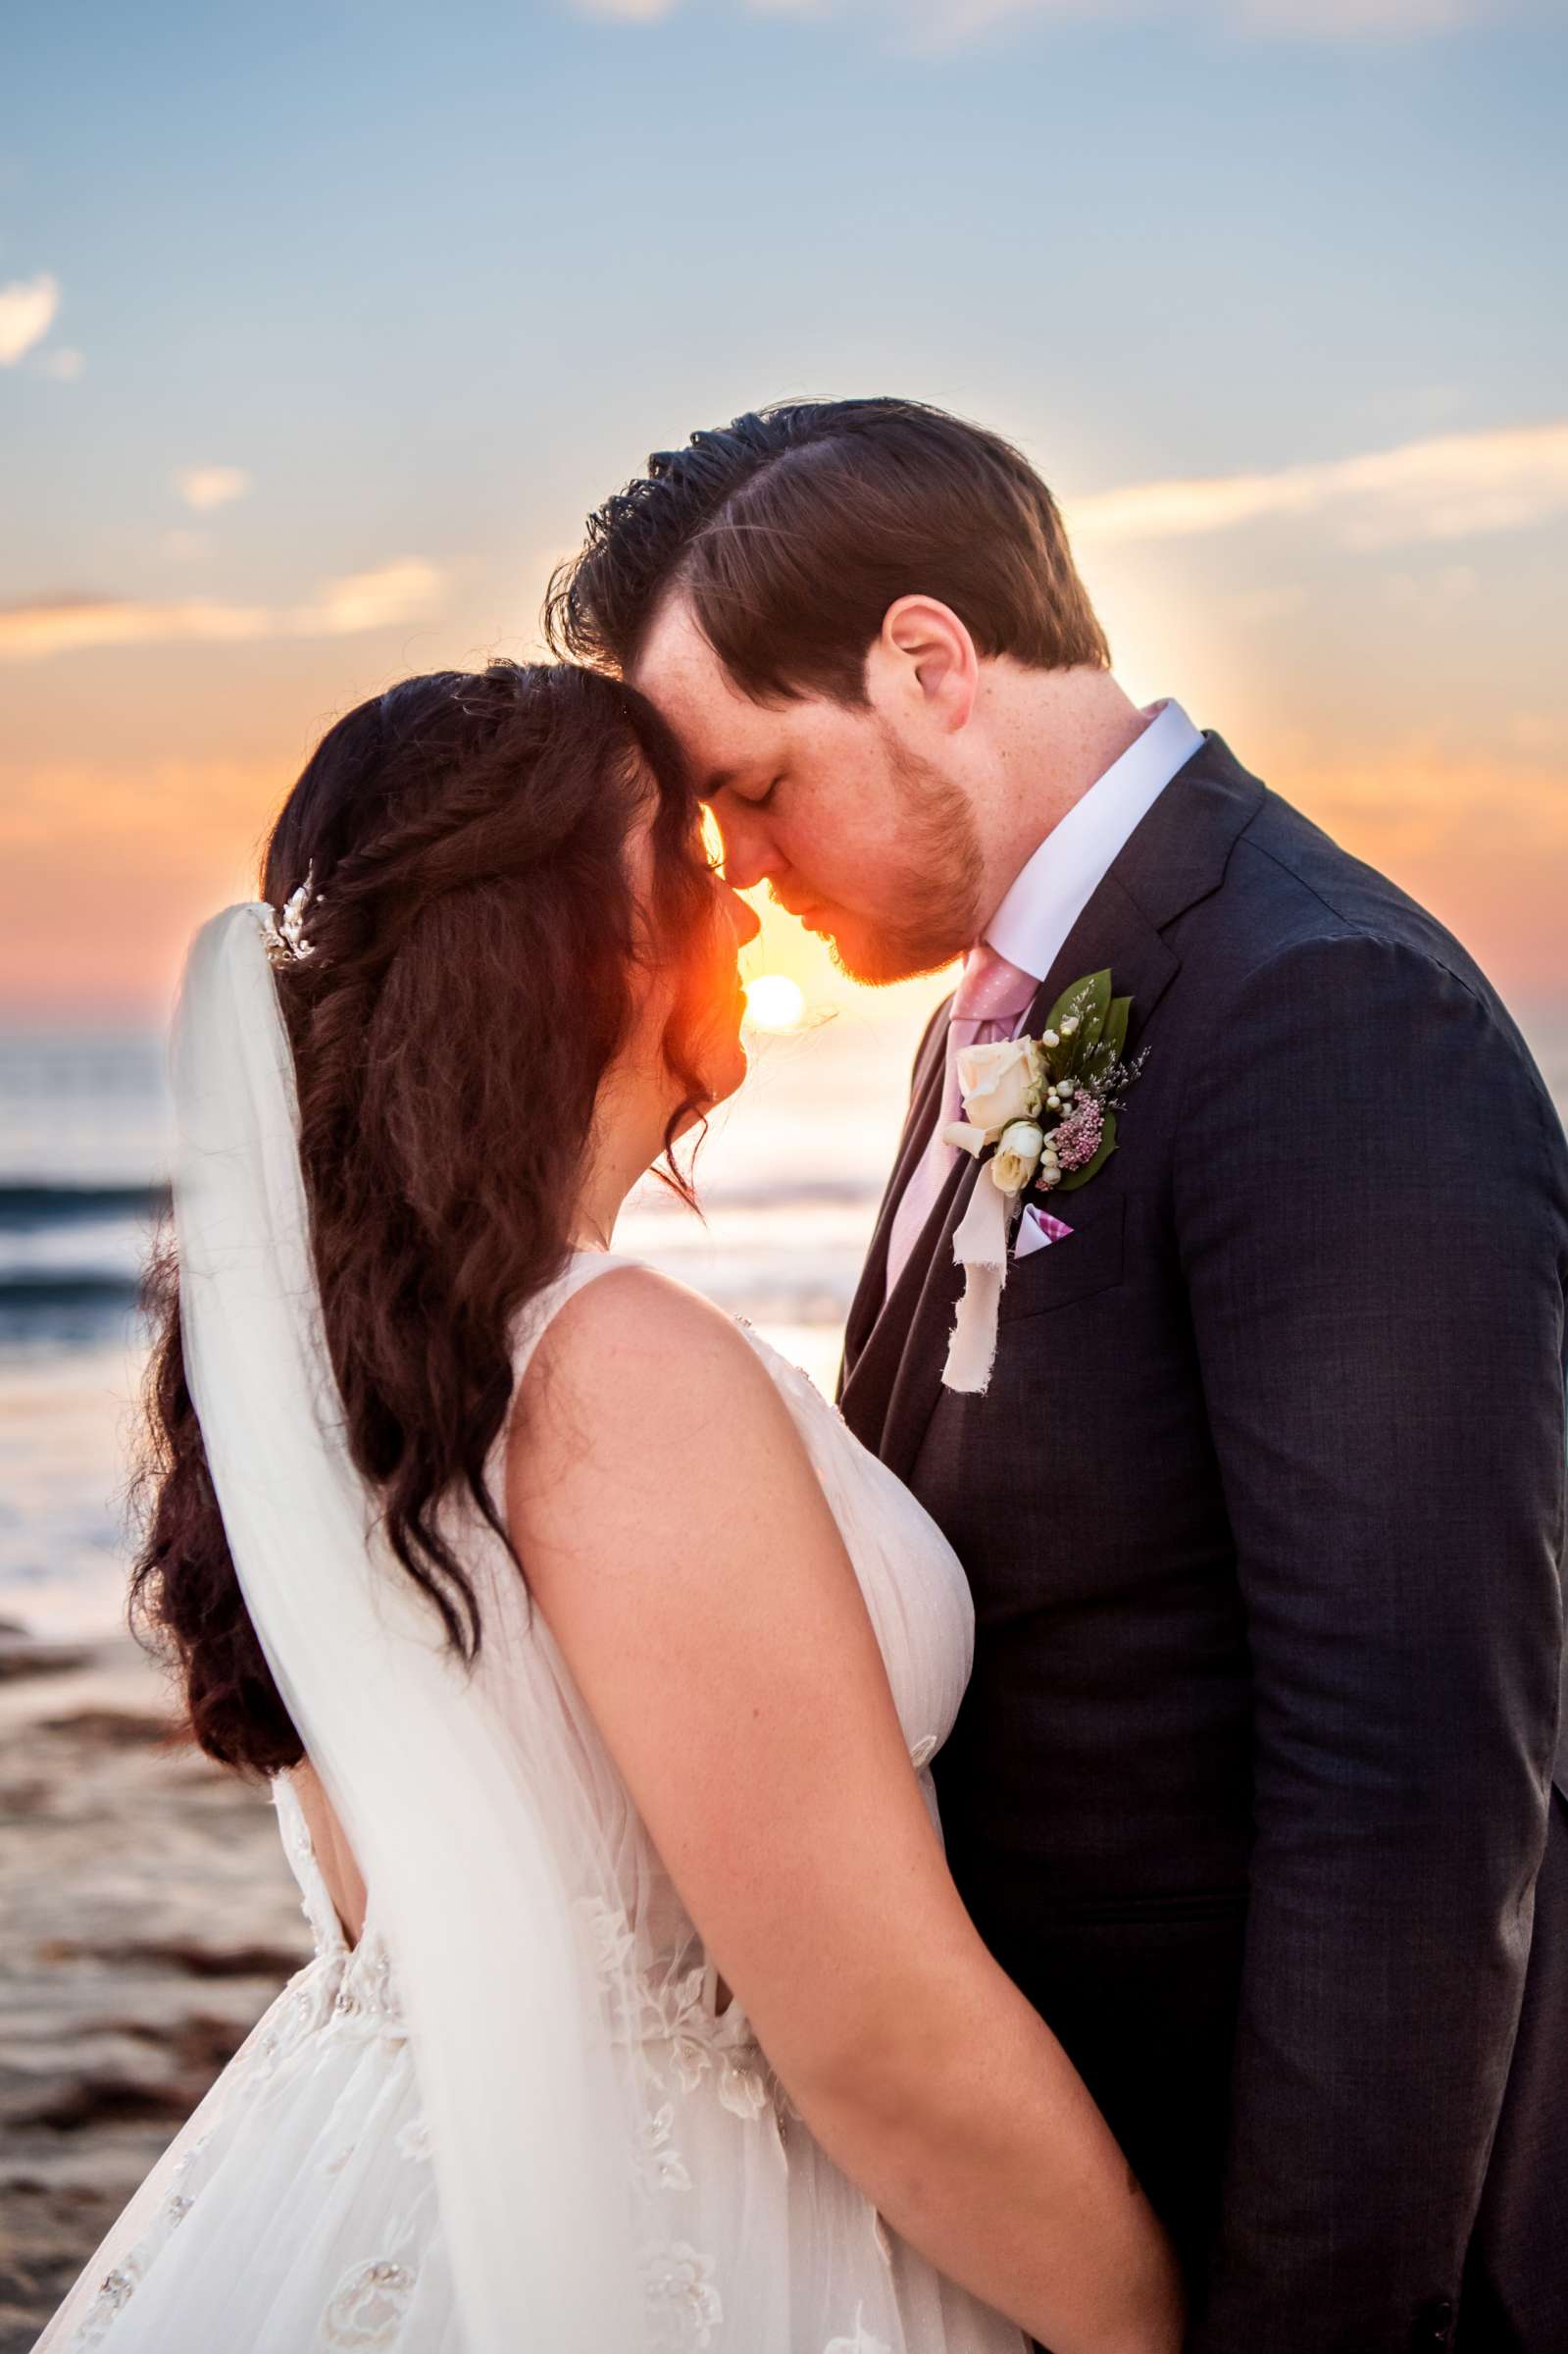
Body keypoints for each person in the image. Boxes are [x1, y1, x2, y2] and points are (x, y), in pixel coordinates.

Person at [548, 397, 1568, 2352]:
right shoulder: (977, 1022)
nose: (732, 869)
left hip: (1260, 2215)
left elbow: (1412, 1790)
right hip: (1052, 2206)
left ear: (924, 663)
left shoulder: (1326, 1008)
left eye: (750, 786)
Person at [33, 659, 1181, 2354]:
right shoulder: (606, 1373)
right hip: (690, 2249)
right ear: (585, 941)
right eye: (694, 869)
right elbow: (875, 2038)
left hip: (370, 2183)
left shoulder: (373, 1370)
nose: (751, 916)